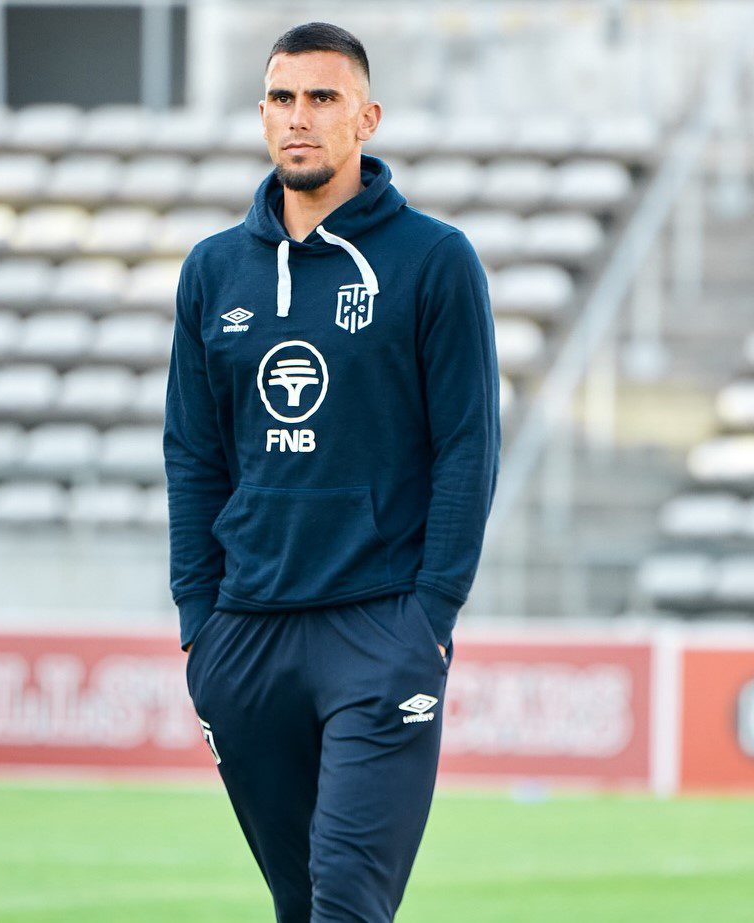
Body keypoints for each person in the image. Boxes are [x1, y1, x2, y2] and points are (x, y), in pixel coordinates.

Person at [165, 21, 500, 923]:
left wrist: (430, 615)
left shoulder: (434, 261)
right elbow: (193, 455)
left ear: (367, 119)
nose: (298, 118)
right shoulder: (212, 272)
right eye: (281, 98)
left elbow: (469, 443)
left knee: (349, 901)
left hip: (379, 628)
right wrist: (199, 622)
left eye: (322, 98)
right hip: (244, 638)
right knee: (298, 900)